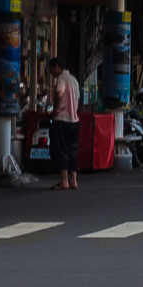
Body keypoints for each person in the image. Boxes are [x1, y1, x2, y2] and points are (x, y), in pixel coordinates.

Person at [48, 57, 80, 191]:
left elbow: (59, 92)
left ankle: (64, 181)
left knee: (61, 150)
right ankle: (74, 180)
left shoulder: (61, 79)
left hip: (62, 120)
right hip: (74, 121)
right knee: (72, 150)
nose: (51, 73)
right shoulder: (74, 79)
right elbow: (77, 97)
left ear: (56, 67)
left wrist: (55, 110)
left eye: (51, 69)